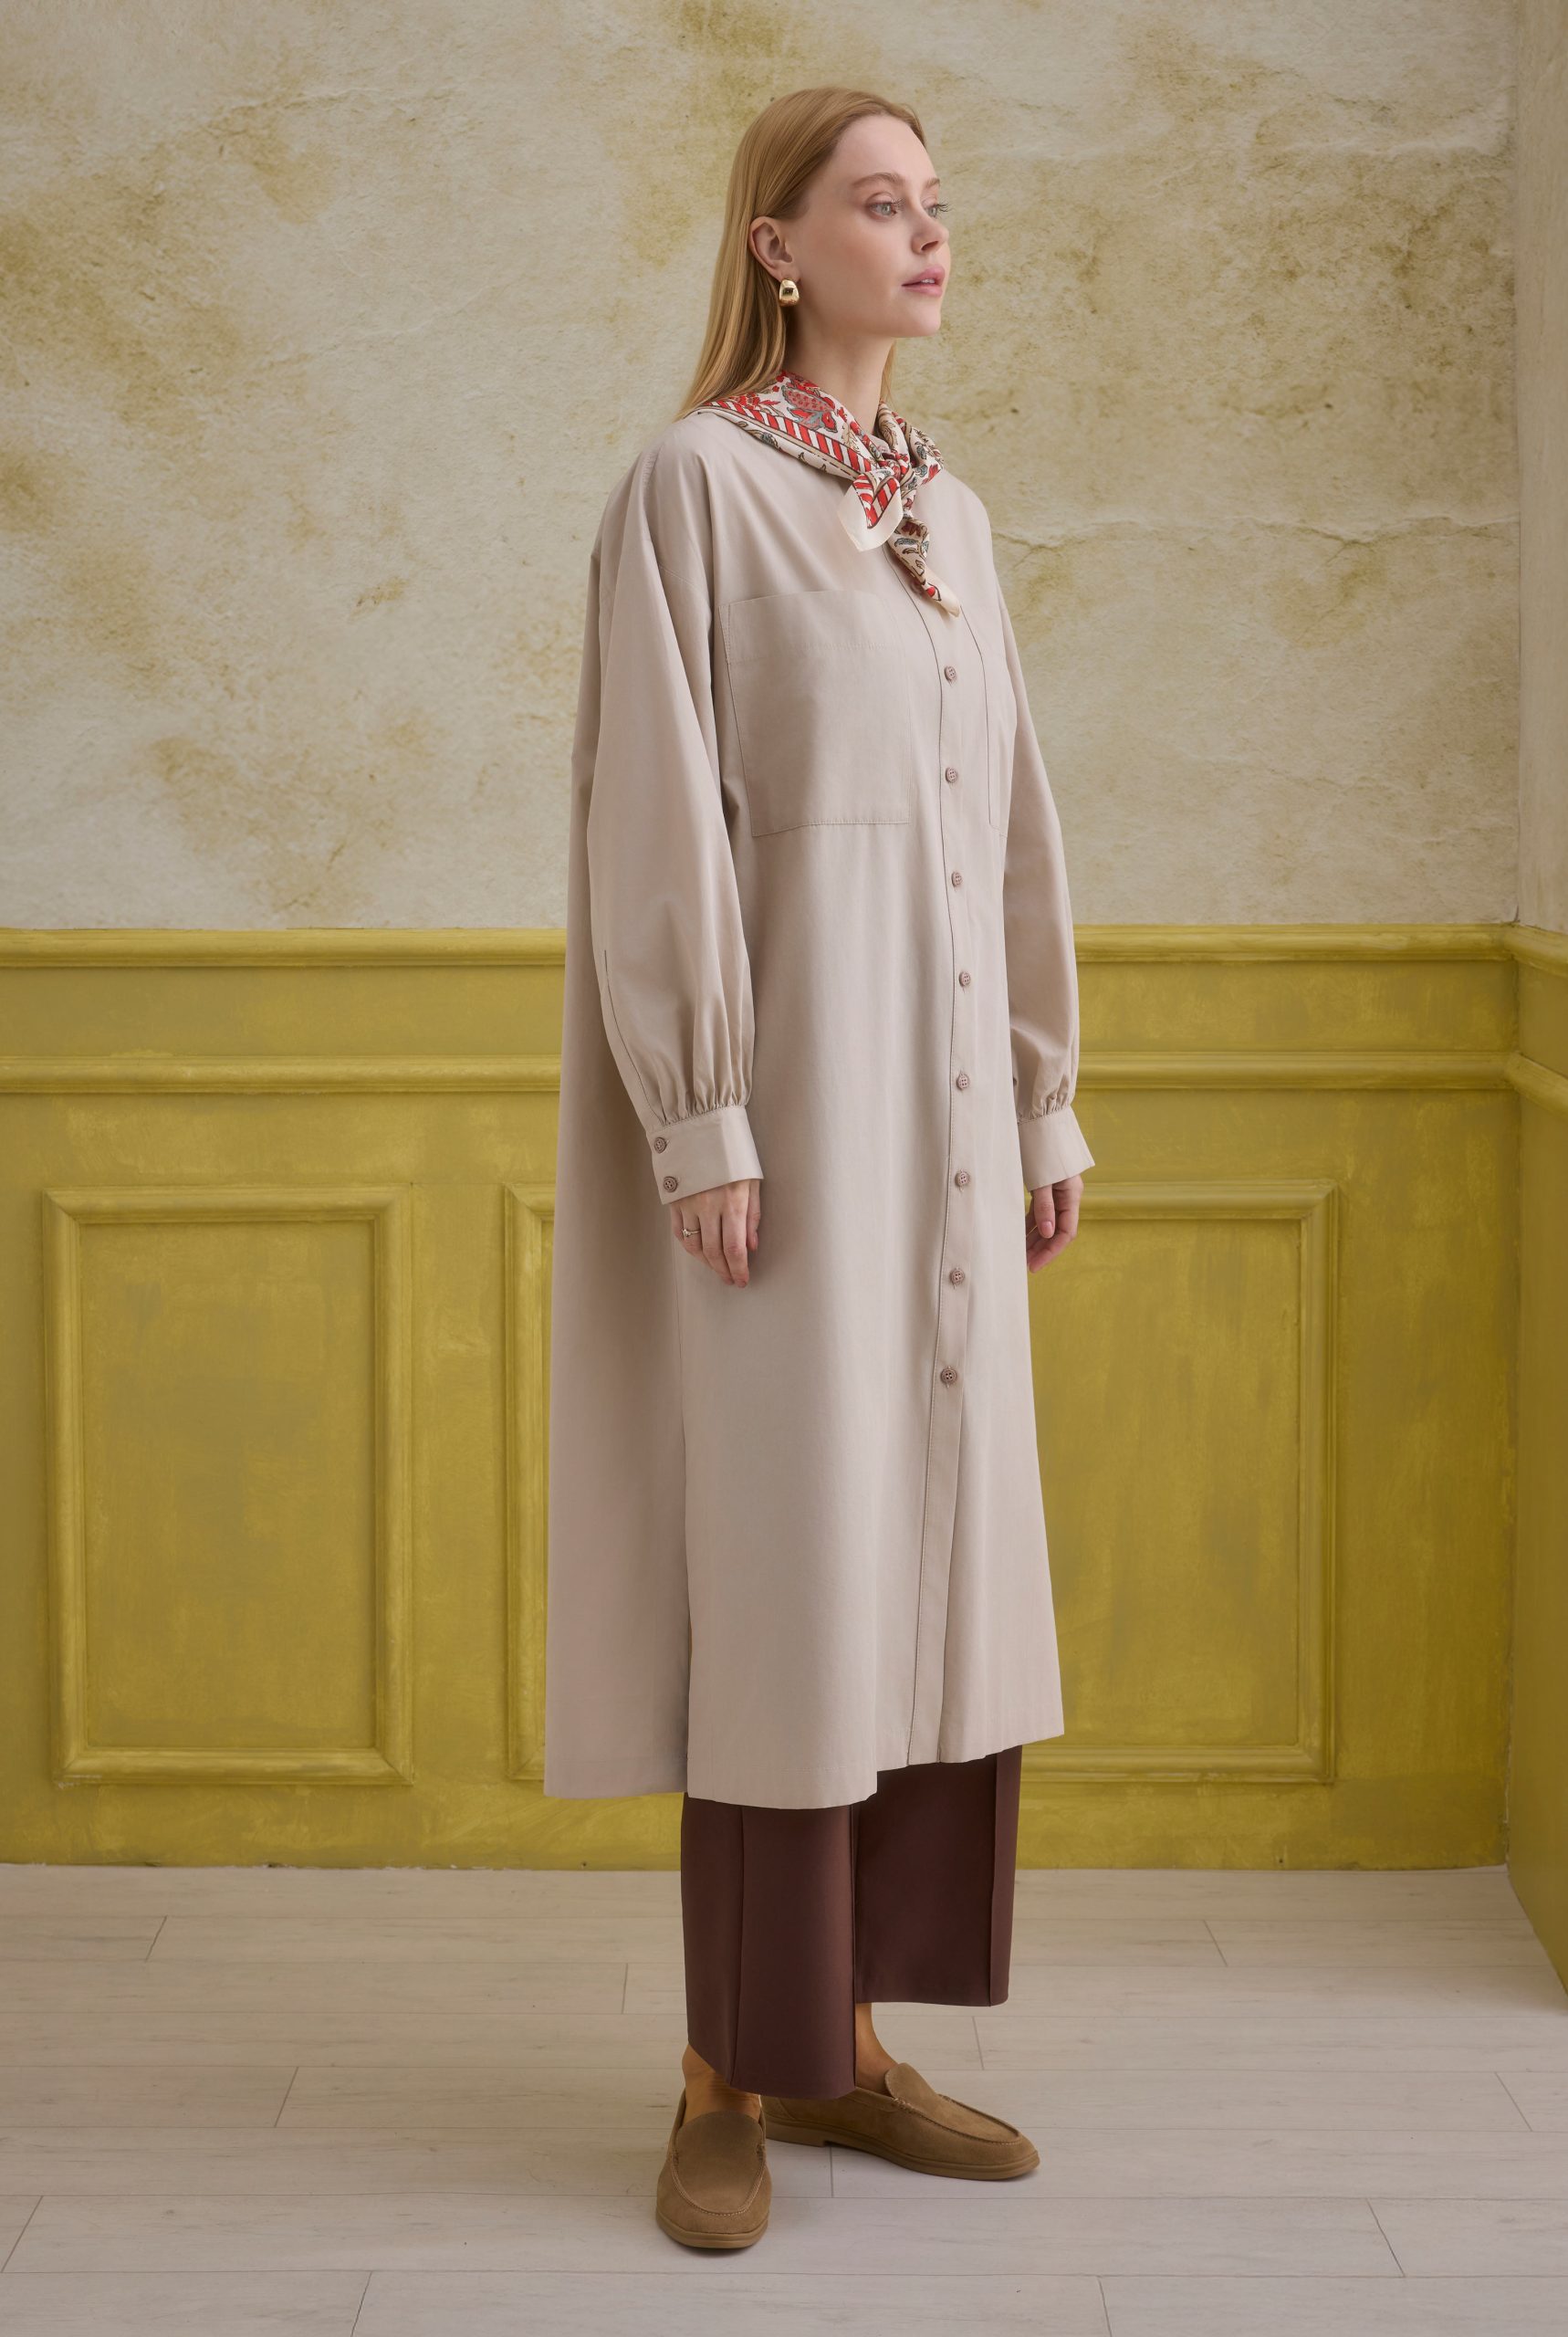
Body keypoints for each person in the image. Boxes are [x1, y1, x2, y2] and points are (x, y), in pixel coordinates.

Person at [544, 84, 1094, 2251]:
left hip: (949, 1135)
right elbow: (652, 818)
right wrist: (700, 1119)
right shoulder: (691, 489)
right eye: (879, 201)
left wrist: (1042, 1094)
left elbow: (1013, 820)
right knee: (788, 1587)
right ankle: (724, 2067)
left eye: (936, 201)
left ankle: (844, 2046)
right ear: (777, 245)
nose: (925, 233)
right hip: (785, 1128)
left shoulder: (946, 513)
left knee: (928, 1568)